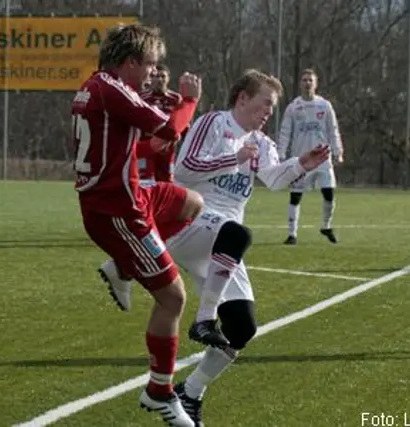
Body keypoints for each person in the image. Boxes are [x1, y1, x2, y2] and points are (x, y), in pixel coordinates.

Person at [98, 69, 330, 426]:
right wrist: (233, 159)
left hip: (222, 242)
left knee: (242, 328)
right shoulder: (213, 124)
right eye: (265, 103)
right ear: (242, 98)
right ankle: (203, 318)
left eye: (273, 106)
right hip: (190, 221)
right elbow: (185, 169)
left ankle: (190, 393)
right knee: (236, 233)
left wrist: (301, 164)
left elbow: (271, 177)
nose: (269, 111)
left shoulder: (262, 143)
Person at [72, 23, 203, 426]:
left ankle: (122, 267)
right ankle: (160, 392)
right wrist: (190, 100)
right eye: (149, 64)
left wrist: (151, 143)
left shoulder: (97, 86)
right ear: (129, 63)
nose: (152, 72)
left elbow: (119, 140)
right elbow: (171, 127)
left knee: (191, 203)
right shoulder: (112, 89)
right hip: (118, 213)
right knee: (173, 298)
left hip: (132, 195)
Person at [278, 68, 344, 245]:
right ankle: (292, 234)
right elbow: (285, 132)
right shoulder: (293, 107)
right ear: (300, 84)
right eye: (304, 80)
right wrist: (281, 153)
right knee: (296, 196)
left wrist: (338, 151)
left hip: (323, 157)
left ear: (316, 84)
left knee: (329, 192)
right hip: (302, 159)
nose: (307, 83)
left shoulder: (324, 105)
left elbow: (333, 129)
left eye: (310, 80)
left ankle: (326, 226)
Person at [137, 64, 184, 185]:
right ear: (151, 78)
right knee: (145, 181)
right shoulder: (142, 97)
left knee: (167, 181)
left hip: (167, 148)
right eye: (156, 76)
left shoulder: (176, 98)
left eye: (163, 76)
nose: (159, 80)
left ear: (168, 78)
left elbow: (182, 121)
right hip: (147, 145)